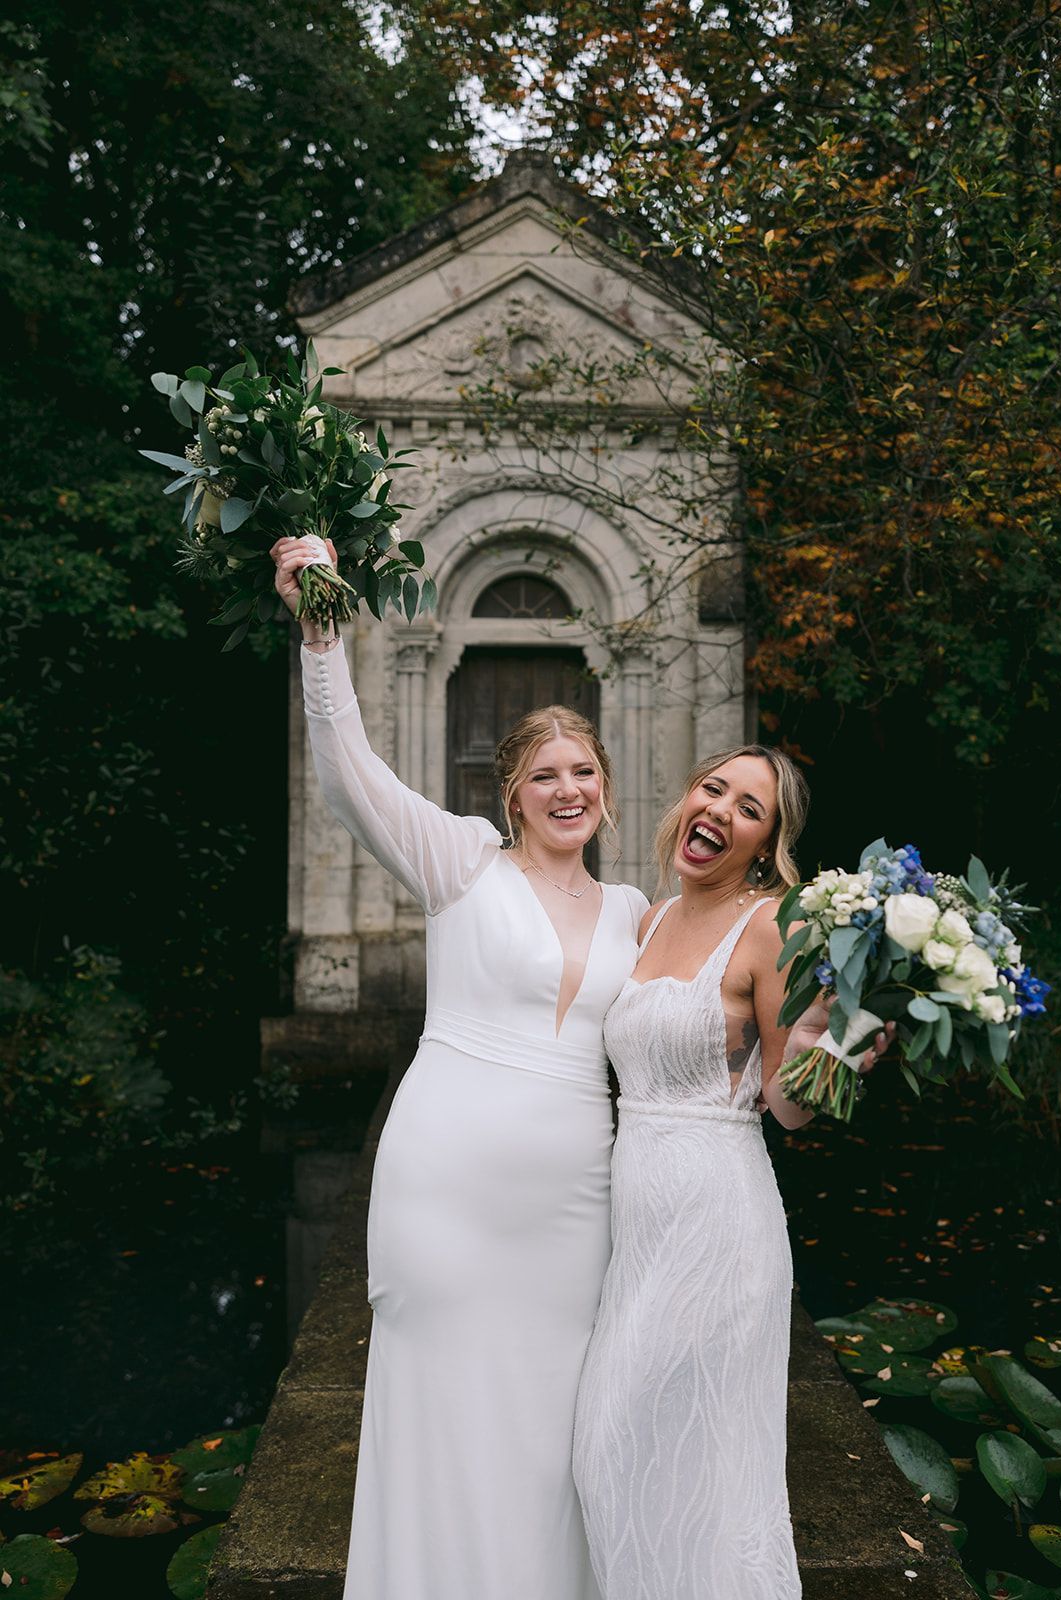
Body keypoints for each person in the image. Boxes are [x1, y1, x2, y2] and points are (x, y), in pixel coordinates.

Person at [270, 535, 649, 1600]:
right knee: (440, 1422)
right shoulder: (461, 863)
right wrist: (321, 629)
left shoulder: (632, 915)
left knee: (548, 1439)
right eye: (544, 776)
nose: (565, 789)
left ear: (605, 789)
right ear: (512, 792)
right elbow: (350, 775)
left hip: (575, 1210)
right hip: (445, 1193)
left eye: (582, 772)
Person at [573, 745, 892, 1600]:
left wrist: (853, 1038)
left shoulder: (773, 924)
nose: (719, 811)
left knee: (679, 1461)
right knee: (610, 1454)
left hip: (718, 1221)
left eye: (748, 808)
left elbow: (788, 1107)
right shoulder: (641, 921)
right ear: (684, 801)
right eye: (712, 789)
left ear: (765, 842)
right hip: (636, 1226)